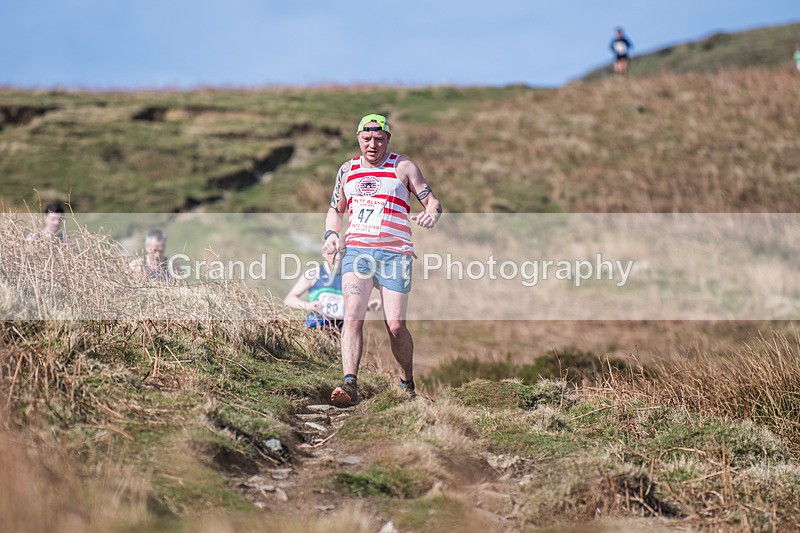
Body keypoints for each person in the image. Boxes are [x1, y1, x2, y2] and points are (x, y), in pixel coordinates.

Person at [323, 113, 442, 406]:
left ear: (387, 139)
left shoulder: (403, 166)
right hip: (357, 252)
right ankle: (349, 384)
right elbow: (335, 209)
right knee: (352, 316)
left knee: (396, 325)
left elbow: (433, 202)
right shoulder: (347, 170)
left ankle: (406, 385)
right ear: (358, 139)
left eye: (378, 139)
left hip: (395, 253)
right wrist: (331, 235)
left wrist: (431, 214)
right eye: (367, 139)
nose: (372, 145)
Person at [284, 254, 381, 332]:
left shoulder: (351, 278)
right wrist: (308, 305)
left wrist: (368, 306)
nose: (337, 257)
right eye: (333, 253)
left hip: (341, 330)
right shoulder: (314, 273)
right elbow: (289, 299)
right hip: (316, 327)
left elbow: (350, 306)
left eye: (341, 252)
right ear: (324, 252)